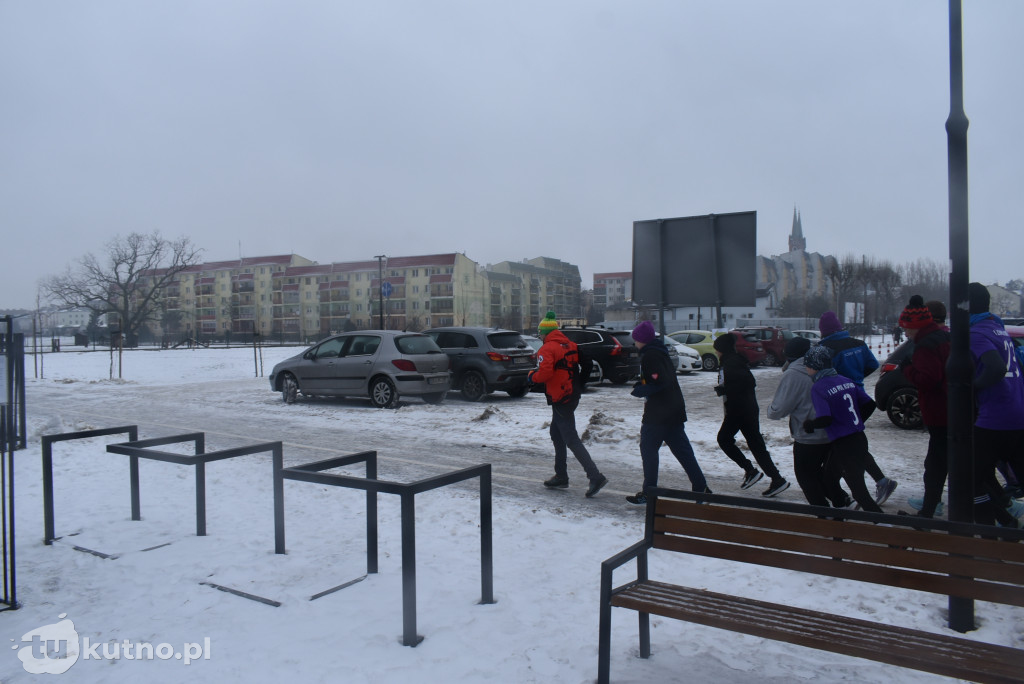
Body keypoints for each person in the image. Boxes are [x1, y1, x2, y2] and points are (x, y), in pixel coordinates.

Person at [625, 321, 709, 505]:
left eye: (636, 339)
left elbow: (660, 382)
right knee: (683, 452)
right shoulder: (660, 352)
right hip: (673, 409)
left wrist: (641, 390)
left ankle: (649, 493)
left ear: (642, 340)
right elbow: (661, 379)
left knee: (648, 451)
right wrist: (643, 384)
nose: (635, 342)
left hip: (658, 413)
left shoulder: (651, 356)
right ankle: (701, 488)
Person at [818, 311, 898, 504]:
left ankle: (861, 489)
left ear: (824, 331)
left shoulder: (826, 348)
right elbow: (872, 364)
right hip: (859, 397)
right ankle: (875, 482)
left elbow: (823, 373)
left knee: (846, 445)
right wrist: (857, 378)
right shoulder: (858, 344)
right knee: (853, 442)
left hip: (839, 399)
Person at [529, 311, 608, 498]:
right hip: (572, 394)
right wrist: (581, 383)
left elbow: (545, 374)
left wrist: (532, 376)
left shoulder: (547, 349)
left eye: (540, 333)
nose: (540, 336)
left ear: (545, 333)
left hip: (561, 397)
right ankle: (561, 476)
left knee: (570, 438)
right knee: (556, 433)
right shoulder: (570, 344)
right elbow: (587, 363)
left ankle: (595, 476)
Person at [767, 336, 850, 507]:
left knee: (806, 476)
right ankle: (842, 503)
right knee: (825, 475)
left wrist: (771, 409)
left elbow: (778, 410)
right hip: (833, 432)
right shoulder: (826, 365)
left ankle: (823, 512)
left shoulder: (793, 374)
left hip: (809, 434)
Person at [967, 283, 1024, 527]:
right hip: (1016, 411)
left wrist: (970, 388)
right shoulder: (997, 329)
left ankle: (991, 536)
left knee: (971, 478)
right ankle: (1007, 522)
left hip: (995, 417)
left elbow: (996, 368)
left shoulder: (976, 334)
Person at [801, 345, 883, 513]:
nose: (806, 368)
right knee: (829, 479)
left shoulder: (819, 387)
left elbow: (826, 419)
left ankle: (885, 526)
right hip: (858, 438)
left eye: (807, 365)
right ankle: (840, 519)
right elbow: (869, 404)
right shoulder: (844, 380)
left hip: (845, 444)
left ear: (816, 366)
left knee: (859, 492)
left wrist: (810, 425)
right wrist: (854, 422)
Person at [712, 332, 789, 497]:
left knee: (724, 439)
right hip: (746, 408)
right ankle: (776, 479)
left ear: (722, 349)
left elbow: (747, 383)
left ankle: (750, 470)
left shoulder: (731, 363)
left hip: (739, 410)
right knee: (756, 445)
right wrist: (725, 389)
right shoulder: (733, 360)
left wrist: (726, 389)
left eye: (717, 349)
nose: (716, 352)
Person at [896, 295, 950, 519]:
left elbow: (928, 379)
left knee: (938, 467)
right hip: (951, 410)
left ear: (915, 326)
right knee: (938, 466)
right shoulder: (942, 337)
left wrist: (907, 369)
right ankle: (927, 513)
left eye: (906, 328)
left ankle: (1002, 515)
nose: (905, 333)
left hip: (940, 413)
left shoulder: (925, 346)